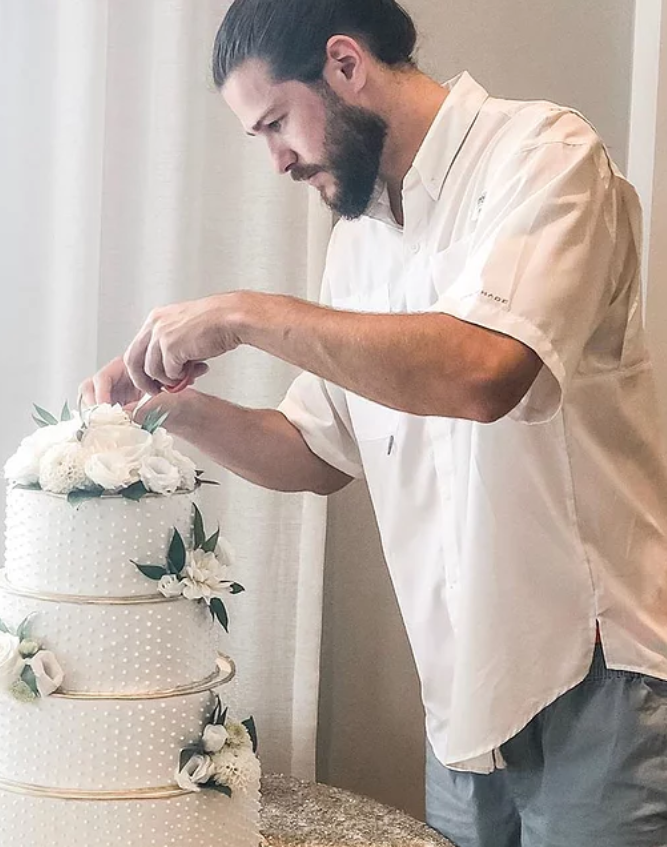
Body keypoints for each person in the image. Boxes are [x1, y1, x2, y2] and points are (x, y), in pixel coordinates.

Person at [79, 1, 667, 844]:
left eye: (277, 122)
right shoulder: (358, 243)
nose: (278, 159)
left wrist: (247, 314)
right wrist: (165, 408)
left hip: (598, 679)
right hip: (460, 705)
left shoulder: (546, 154)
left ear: (346, 64)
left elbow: (485, 371)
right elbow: (317, 451)